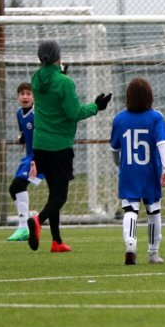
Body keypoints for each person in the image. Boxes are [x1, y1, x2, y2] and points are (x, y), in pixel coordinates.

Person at [27, 39, 112, 253]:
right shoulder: (64, 82)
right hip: (60, 145)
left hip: (40, 144)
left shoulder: (36, 78)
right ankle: (38, 220)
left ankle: (56, 241)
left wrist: (60, 72)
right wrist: (96, 106)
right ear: (58, 56)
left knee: (52, 192)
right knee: (60, 196)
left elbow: (49, 80)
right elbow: (74, 113)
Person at [110, 77, 165, 265]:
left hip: (128, 172)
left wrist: (119, 166)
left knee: (130, 209)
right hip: (151, 171)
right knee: (154, 211)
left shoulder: (119, 118)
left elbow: (114, 150)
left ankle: (130, 245)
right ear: (149, 97)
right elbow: (162, 144)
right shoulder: (156, 117)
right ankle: (153, 253)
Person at [6, 82, 43, 241]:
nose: (25, 97)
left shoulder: (38, 113)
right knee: (14, 189)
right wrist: (22, 138)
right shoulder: (19, 113)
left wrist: (36, 160)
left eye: (29, 94)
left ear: (34, 97)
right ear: (17, 97)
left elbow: (41, 135)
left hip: (39, 156)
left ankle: (24, 226)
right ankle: (28, 219)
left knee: (17, 185)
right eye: (22, 94)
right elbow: (24, 133)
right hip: (28, 156)